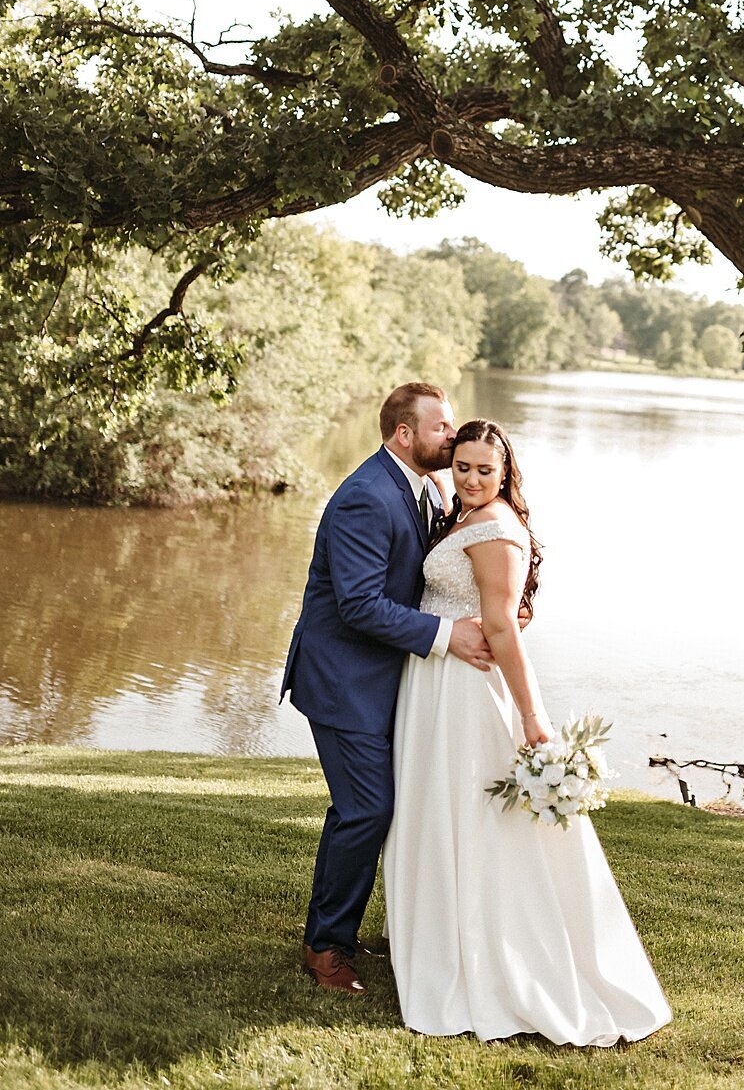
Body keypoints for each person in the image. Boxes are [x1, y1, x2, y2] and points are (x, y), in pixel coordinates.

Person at [383, 418, 671, 1046]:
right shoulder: (459, 514)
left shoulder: (497, 531)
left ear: (507, 471)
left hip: (465, 691)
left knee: (473, 819)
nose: (472, 479)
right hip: (437, 680)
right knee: (443, 811)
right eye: (462, 467)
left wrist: (533, 718)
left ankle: (493, 962)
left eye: (486, 470)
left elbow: (504, 628)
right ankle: (439, 939)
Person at [281, 383, 493, 996]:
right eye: (442, 428)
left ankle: (350, 929)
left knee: (383, 807)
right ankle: (325, 946)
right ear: (405, 433)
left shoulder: (424, 487)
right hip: (345, 680)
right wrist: (444, 635)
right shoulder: (367, 497)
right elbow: (357, 605)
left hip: (386, 678)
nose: (452, 438)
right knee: (366, 808)